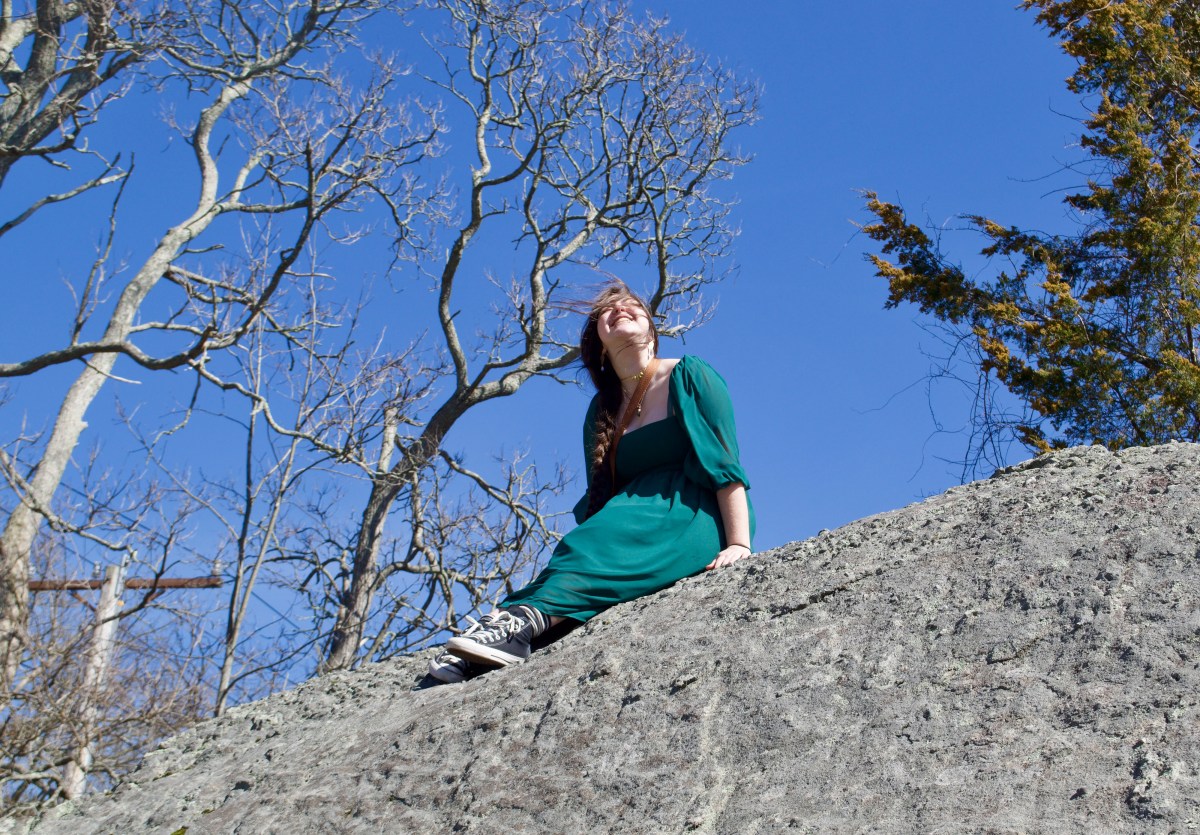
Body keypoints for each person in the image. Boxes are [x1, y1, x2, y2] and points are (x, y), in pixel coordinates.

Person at [428, 281, 754, 683]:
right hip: (624, 524)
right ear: (598, 340)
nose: (618, 309)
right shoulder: (600, 413)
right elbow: (601, 501)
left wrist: (739, 544)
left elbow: (725, 463)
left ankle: (515, 625)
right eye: (606, 310)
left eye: (630, 304)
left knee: (598, 539)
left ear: (651, 328)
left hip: (689, 516)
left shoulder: (689, 376)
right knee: (582, 545)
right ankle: (501, 633)